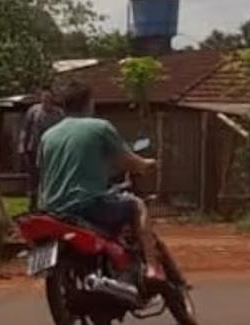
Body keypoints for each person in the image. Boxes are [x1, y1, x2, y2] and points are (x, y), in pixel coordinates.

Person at [38, 81, 162, 279]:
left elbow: (43, 174)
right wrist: (146, 164)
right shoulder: (99, 127)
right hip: (88, 207)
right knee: (137, 205)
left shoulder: (48, 136)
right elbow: (128, 161)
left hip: (52, 210)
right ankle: (153, 267)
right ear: (89, 103)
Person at [18, 85, 65, 213]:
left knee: (50, 177)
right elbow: (25, 129)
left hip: (51, 151)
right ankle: (32, 205)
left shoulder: (58, 113)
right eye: (44, 97)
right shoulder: (34, 111)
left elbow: (63, 131)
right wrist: (22, 145)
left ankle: (50, 204)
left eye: (49, 98)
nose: (46, 100)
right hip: (34, 149)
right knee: (34, 177)